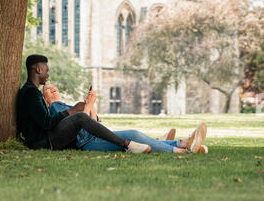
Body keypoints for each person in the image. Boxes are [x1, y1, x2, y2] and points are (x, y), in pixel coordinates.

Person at [16, 54, 155, 153]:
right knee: (80, 117)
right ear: (38, 70)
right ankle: (126, 145)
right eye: (46, 70)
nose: (48, 74)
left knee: (80, 117)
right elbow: (46, 123)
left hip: (48, 138)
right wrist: (72, 111)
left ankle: (133, 144)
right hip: (44, 143)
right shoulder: (30, 92)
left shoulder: (30, 91)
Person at [43, 83, 208, 154]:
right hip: (89, 143)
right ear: (45, 99)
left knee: (135, 136)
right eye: (47, 90)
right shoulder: (55, 109)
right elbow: (82, 132)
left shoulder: (64, 105)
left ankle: (184, 143)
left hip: (96, 136)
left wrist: (90, 105)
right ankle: (180, 150)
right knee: (134, 135)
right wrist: (88, 106)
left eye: (52, 87)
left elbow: (94, 123)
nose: (52, 88)